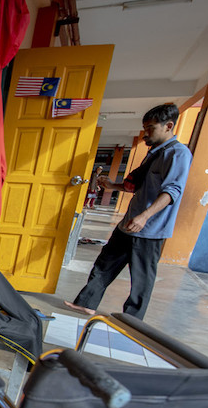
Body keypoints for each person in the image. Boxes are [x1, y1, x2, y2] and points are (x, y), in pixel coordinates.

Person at [64, 103, 192, 319]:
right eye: (144, 128)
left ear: (168, 126)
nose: (145, 134)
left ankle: (132, 319)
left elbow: (172, 191)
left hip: (150, 229)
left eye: (150, 128)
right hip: (129, 224)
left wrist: (145, 217)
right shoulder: (154, 154)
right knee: (105, 263)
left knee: (141, 277)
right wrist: (114, 186)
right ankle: (86, 303)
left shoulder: (177, 154)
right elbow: (141, 185)